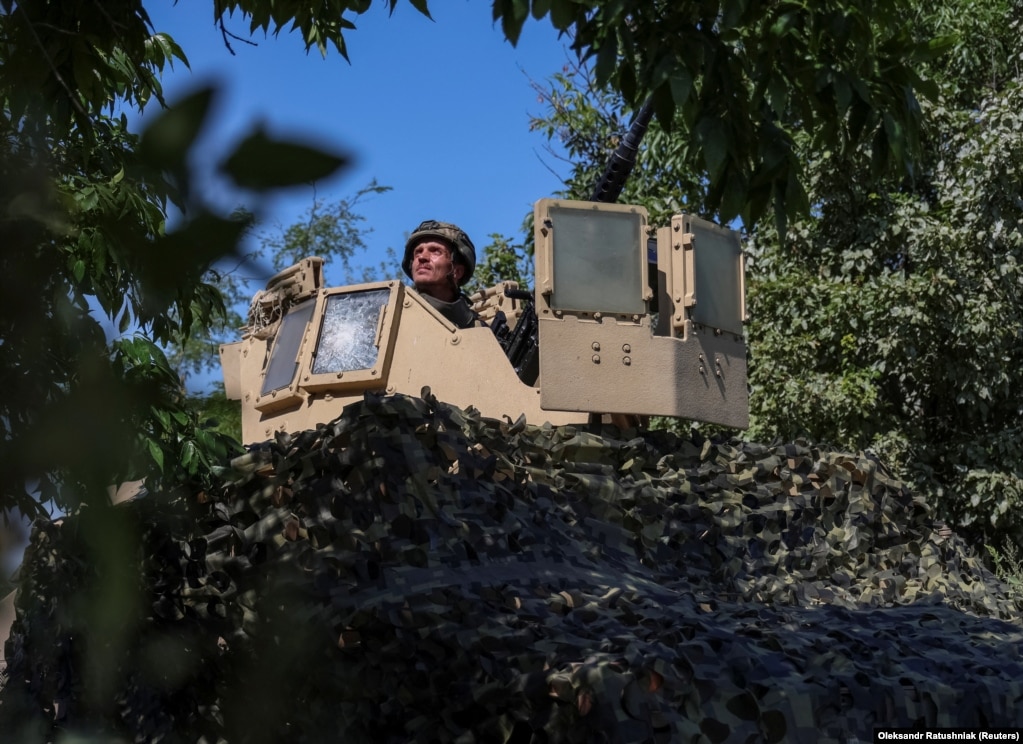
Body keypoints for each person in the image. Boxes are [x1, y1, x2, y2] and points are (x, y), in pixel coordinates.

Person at [402, 219, 481, 329]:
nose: (422, 257)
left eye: (435, 251)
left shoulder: (478, 331)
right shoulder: (389, 317)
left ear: (457, 271)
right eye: (418, 252)